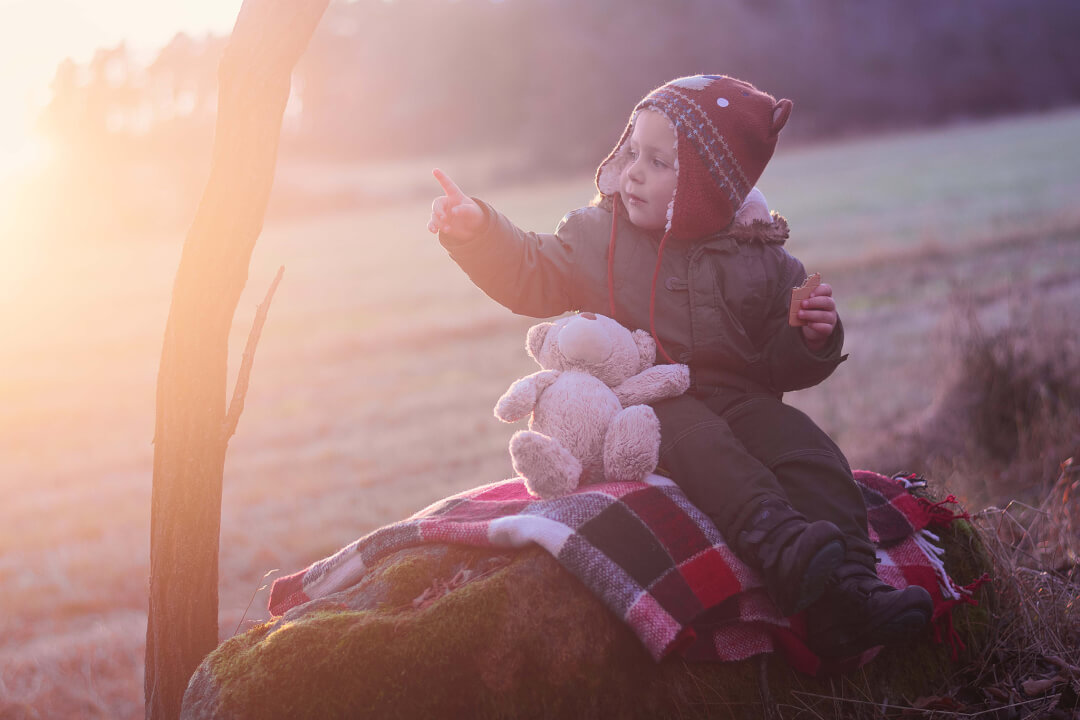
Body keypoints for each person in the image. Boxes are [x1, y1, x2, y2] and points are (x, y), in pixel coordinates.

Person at [427, 74, 932, 659]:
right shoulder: (598, 236)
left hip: (744, 400)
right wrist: (478, 232)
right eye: (632, 152)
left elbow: (781, 364)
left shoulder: (761, 257)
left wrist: (811, 336)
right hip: (646, 403)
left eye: (659, 162)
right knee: (702, 440)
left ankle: (852, 592)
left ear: (709, 186)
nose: (633, 171)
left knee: (810, 450)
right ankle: (777, 539)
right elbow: (531, 271)